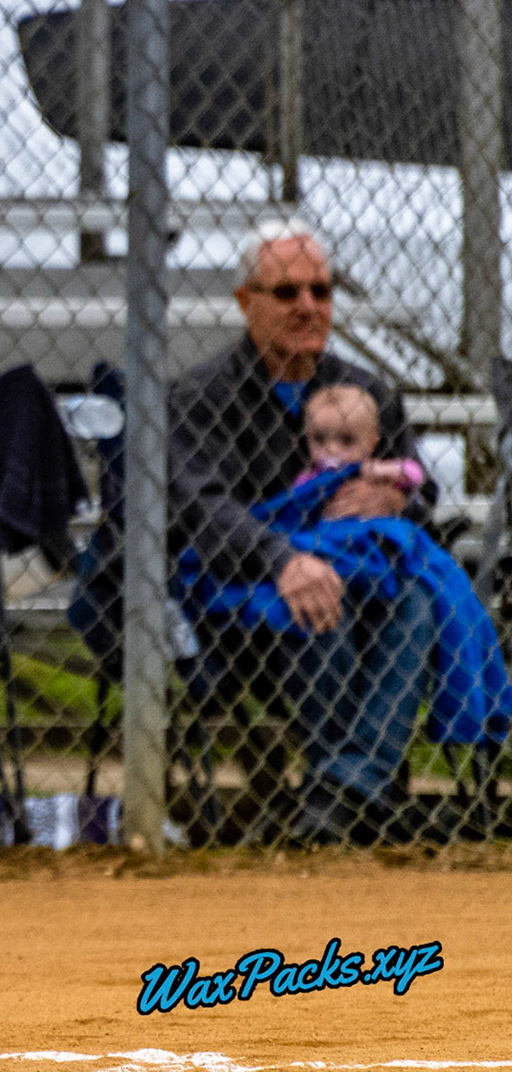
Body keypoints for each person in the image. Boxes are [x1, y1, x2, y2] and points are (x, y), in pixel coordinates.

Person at [168, 220, 437, 844]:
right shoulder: (199, 396)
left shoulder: (367, 393)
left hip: (365, 576)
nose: (308, 306)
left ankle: (336, 796)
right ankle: (357, 798)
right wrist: (282, 559)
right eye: (287, 292)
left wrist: (395, 501)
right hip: (249, 589)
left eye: (321, 290)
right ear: (246, 302)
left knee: (420, 600)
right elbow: (204, 509)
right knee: (317, 600)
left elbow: (422, 497)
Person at [293, 384, 426, 495]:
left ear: (372, 441)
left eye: (347, 440)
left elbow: (415, 474)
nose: (331, 449)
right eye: (319, 439)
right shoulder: (308, 478)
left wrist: (381, 471)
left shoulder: (371, 470)